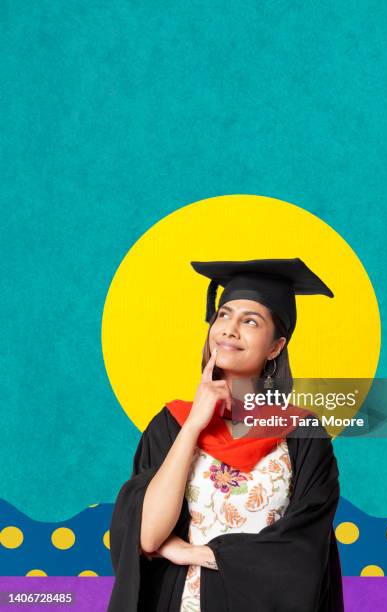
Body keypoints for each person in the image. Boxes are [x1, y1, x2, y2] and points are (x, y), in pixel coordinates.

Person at [108, 258, 344, 611]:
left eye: (250, 321)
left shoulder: (303, 436)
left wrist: (195, 553)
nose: (229, 329)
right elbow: (148, 535)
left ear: (276, 347)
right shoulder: (172, 424)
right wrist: (193, 426)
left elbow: (302, 550)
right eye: (223, 315)